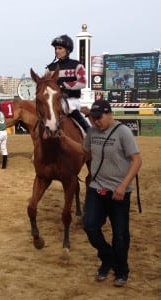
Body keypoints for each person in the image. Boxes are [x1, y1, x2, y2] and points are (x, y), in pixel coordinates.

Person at [83, 100, 142, 287]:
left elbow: (137, 160)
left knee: (121, 234)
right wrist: (63, 140)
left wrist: (123, 186)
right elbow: (84, 153)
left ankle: (122, 270)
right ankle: (108, 258)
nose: (96, 122)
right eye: (93, 118)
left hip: (118, 192)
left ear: (110, 114)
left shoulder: (123, 132)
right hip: (96, 188)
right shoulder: (91, 132)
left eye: (99, 118)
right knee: (90, 227)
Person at [46, 34, 90, 132]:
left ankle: (87, 130)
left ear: (67, 50)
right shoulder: (50, 68)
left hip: (72, 100)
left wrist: (64, 85)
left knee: (69, 106)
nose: (57, 51)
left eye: (60, 48)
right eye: (56, 48)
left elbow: (82, 82)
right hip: (55, 101)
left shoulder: (76, 65)